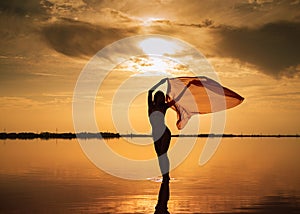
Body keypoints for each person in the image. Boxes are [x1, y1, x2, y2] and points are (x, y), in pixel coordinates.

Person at [148, 78, 192, 182]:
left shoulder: (164, 107)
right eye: (159, 97)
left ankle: (166, 177)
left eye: (162, 97)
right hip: (155, 134)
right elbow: (150, 91)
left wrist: (187, 87)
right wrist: (160, 82)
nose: (161, 99)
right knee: (159, 156)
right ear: (156, 98)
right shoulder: (151, 106)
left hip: (164, 133)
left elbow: (177, 99)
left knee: (163, 154)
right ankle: (165, 176)